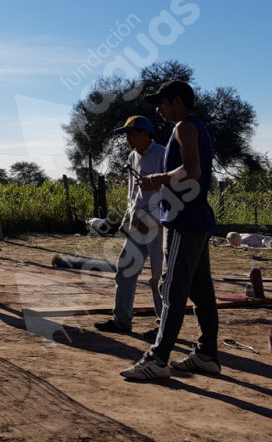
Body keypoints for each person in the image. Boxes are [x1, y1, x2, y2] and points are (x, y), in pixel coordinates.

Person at [121, 80, 221, 381]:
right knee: (201, 291)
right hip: (197, 219)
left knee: (171, 289)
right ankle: (206, 355)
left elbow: (192, 171)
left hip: (183, 221)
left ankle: (158, 358)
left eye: (161, 103)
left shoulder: (184, 127)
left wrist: (157, 179)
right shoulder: (196, 128)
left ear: (177, 101)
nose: (158, 109)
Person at [94, 116, 166, 337]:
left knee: (159, 278)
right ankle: (121, 321)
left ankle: (163, 327)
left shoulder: (164, 155)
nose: (128, 138)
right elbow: (132, 193)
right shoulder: (132, 156)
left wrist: (153, 218)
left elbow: (173, 194)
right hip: (136, 225)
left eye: (132, 133)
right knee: (125, 271)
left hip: (159, 227)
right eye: (127, 134)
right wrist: (127, 220)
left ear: (146, 134)